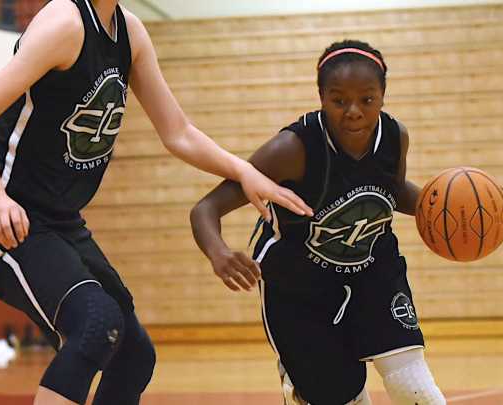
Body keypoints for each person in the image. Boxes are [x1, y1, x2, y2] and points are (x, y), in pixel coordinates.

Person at [0, 1, 312, 404]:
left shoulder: (130, 31)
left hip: (63, 221)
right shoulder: (64, 23)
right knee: (95, 322)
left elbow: (177, 131)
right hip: (12, 219)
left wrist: (243, 170)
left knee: (133, 353)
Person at [190, 40, 447, 405]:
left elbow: (388, 190)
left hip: (373, 269)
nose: (353, 111)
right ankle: (302, 384)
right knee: (341, 397)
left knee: (414, 386)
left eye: (367, 99)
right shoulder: (292, 149)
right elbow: (206, 208)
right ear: (321, 97)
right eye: (339, 100)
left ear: (383, 96)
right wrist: (217, 252)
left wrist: (439, 207)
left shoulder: (395, 137)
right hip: (299, 285)